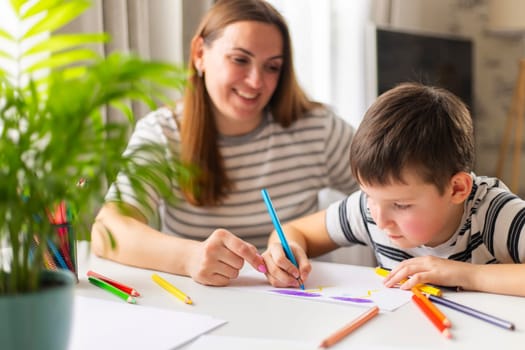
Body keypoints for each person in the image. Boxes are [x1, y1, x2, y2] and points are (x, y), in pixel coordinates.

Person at [91, 0, 358, 286]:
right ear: (199, 54)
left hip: (302, 300)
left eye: (272, 67)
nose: (256, 81)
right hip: (200, 307)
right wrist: (189, 257)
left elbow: (389, 195)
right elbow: (108, 231)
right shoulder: (163, 133)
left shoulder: (318, 129)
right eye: (240, 60)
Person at [262, 82, 525, 297]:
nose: (380, 219)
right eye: (369, 196)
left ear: (456, 189)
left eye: (401, 205)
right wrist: (284, 251)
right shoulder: (370, 209)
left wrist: (465, 274)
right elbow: (293, 232)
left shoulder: (492, 214)